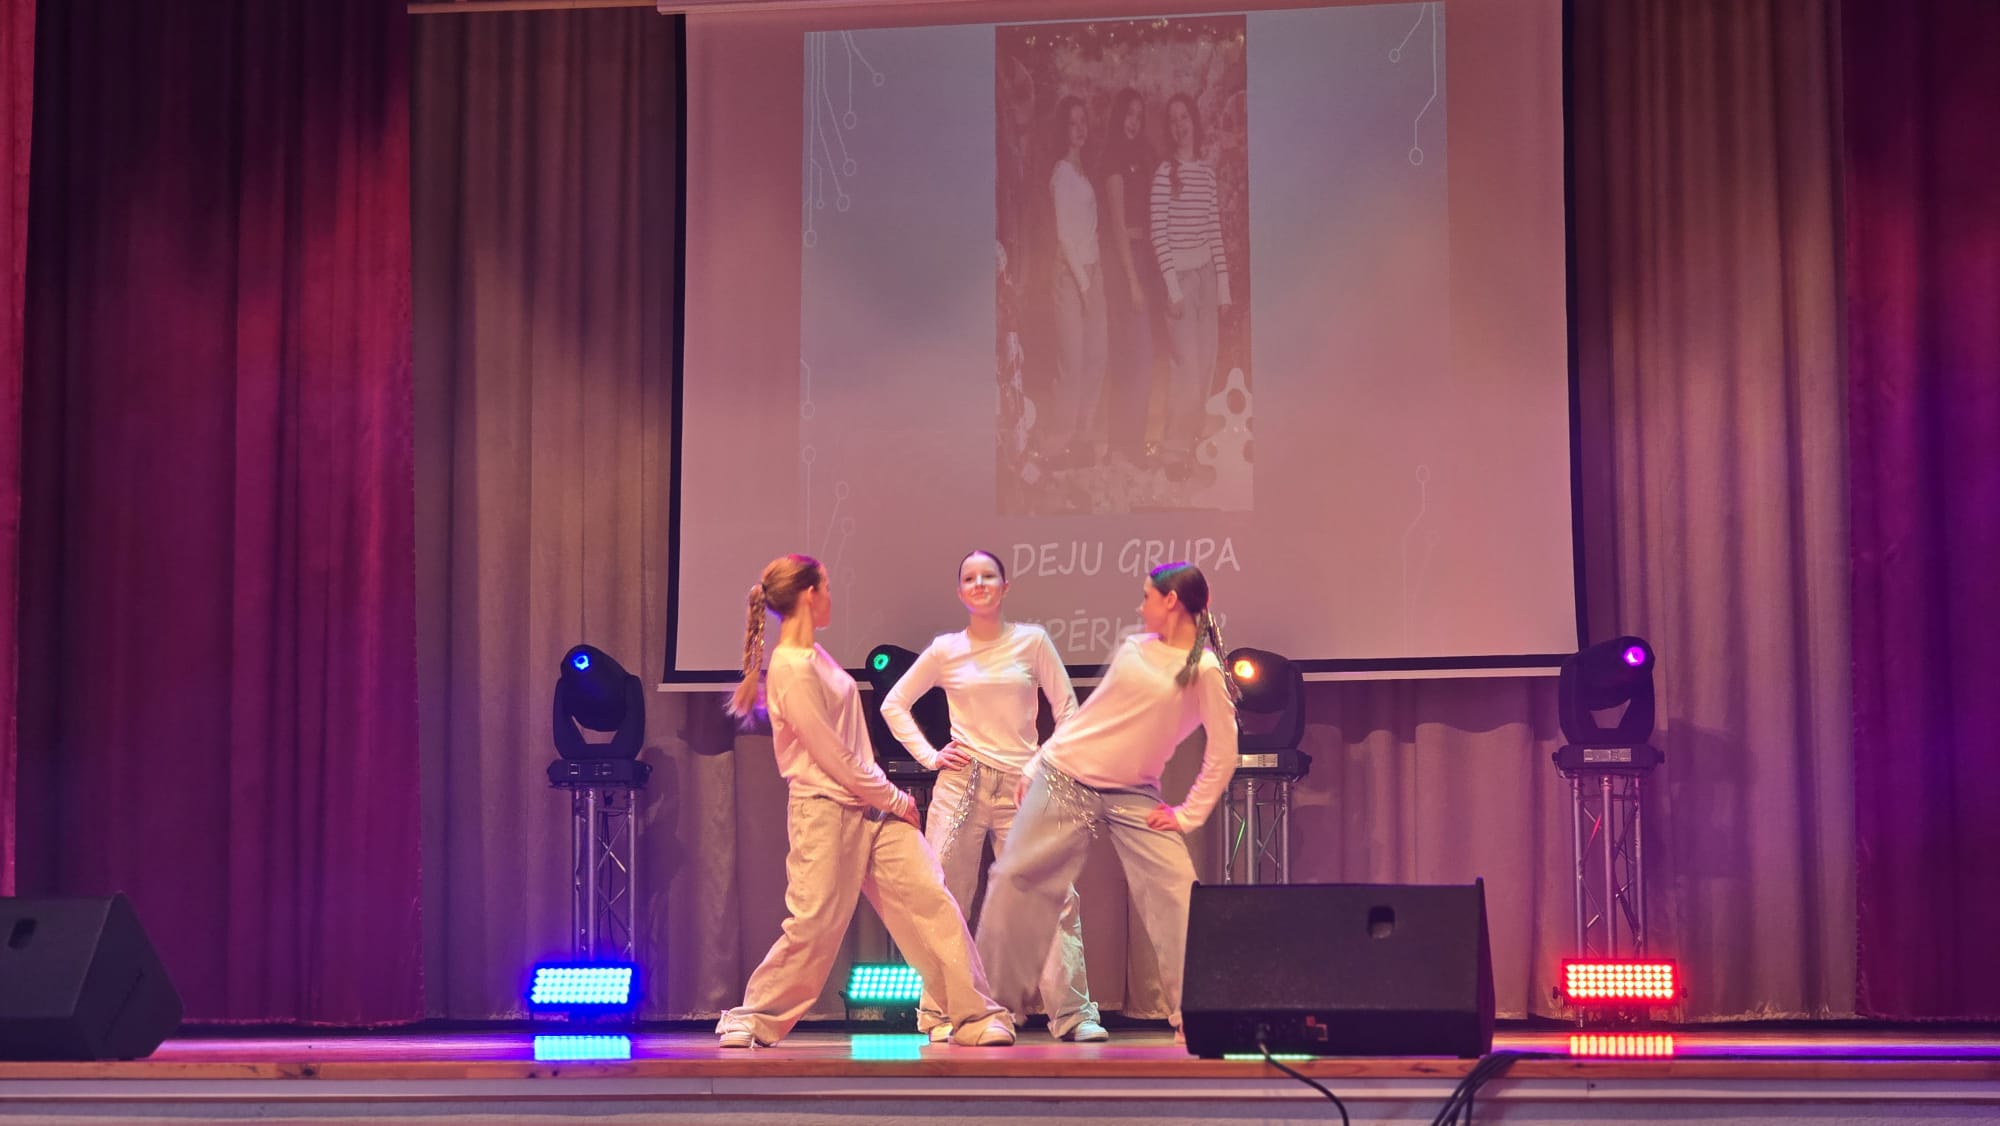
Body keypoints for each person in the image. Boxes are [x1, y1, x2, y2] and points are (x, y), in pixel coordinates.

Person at [715, 553, 1015, 1048]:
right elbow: (832, 756)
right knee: (815, 924)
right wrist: (894, 797)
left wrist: (884, 800)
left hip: (872, 808)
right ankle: (753, 1017)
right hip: (826, 811)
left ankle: (973, 1015)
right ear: (809, 594)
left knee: (932, 902)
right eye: (827, 587)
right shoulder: (791, 667)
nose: (831, 596)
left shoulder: (816, 655)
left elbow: (851, 750)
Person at [973, 561, 1239, 1044]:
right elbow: (1092, 716)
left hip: (1134, 793)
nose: (1140, 607)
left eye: (1147, 597)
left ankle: (1193, 1015)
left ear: (1171, 602)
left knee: (1178, 893)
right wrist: (1035, 765)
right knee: (1015, 877)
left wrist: (1188, 815)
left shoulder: (1202, 670)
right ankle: (990, 1010)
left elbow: (1224, 752)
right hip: (1067, 775)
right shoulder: (1135, 649)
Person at [880, 550, 1106, 1043]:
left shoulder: (1032, 641)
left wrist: (1040, 764)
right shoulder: (945, 650)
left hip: (1024, 784)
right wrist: (929, 756)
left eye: (989, 576)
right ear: (960, 591)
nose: (979, 583)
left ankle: (1073, 1014)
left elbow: (1068, 711)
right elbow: (893, 703)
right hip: (961, 784)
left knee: (1051, 896)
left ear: (1006, 587)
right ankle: (942, 1012)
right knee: (944, 898)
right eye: (969, 578)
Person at [1148, 94, 1232, 482]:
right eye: (1173, 120)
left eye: (1185, 117)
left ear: (1194, 122)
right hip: (1179, 281)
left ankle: (1192, 446)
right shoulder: (1165, 174)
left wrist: (1223, 289)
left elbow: (1214, 231)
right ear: (1169, 129)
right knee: (1187, 369)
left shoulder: (1207, 175)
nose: (1180, 125)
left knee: (1206, 366)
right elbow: (1158, 233)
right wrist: (1173, 289)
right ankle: (1172, 451)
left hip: (1206, 279)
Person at [1100, 88, 1162, 466]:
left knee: (1132, 353)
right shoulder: (1113, 158)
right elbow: (1118, 223)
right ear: (1118, 115)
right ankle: (1129, 446)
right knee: (1137, 354)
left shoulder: (1144, 155)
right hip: (1124, 261)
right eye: (1129, 114)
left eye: (1139, 116)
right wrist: (1133, 280)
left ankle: (1123, 445)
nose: (1134, 122)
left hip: (1144, 258)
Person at [1047, 95, 1109, 469]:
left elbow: (1089, 230)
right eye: (1073, 123)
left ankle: (1084, 438)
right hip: (1070, 277)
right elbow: (1065, 237)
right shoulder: (1062, 174)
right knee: (1072, 361)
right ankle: (1058, 445)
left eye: (1083, 122)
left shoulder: (1083, 171)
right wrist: (1084, 286)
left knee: (1096, 356)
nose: (1080, 129)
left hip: (1093, 270)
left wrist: (1095, 276)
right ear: (1063, 129)